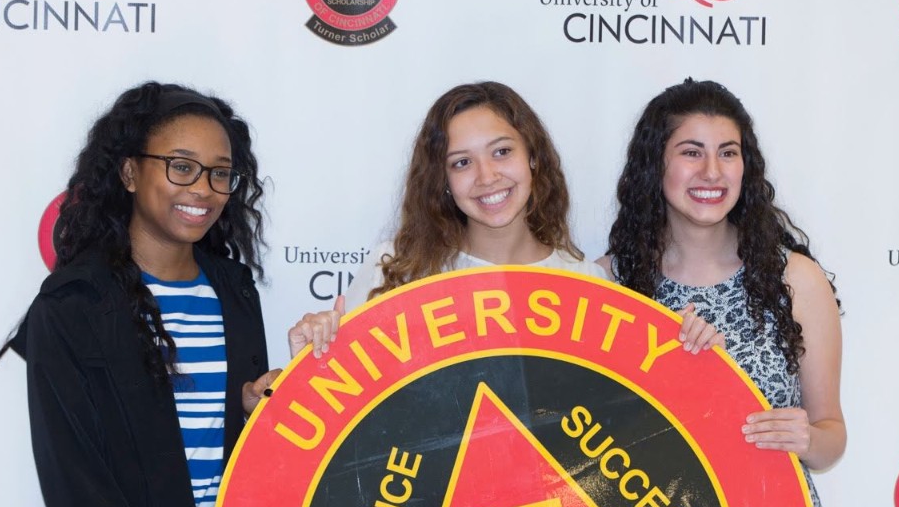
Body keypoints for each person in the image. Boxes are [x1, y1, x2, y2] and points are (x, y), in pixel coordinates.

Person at [0, 82, 276, 507]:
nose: (202, 188)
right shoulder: (74, 305)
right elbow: (79, 492)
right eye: (181, 166)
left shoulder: (232, 287)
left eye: (221, 173)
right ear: (129, 172)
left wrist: (256, 404)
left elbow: (228, 447)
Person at [602, 77, 867, 507]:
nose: (712, 171)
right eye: (691, 151)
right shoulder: (615, 284)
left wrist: (807, 434)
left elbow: (832, 435)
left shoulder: (794, 278)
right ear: (654, 165)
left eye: (729, 151)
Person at [289, 80, 720, 355]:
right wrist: (315, 349)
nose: (487, 177)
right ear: (441, 179)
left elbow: (614, 419)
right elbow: (348, 416)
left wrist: (684, 356)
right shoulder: (397, 269)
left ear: (532, 157)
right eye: (461, 163)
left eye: (501, 152)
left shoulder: (586, 284)